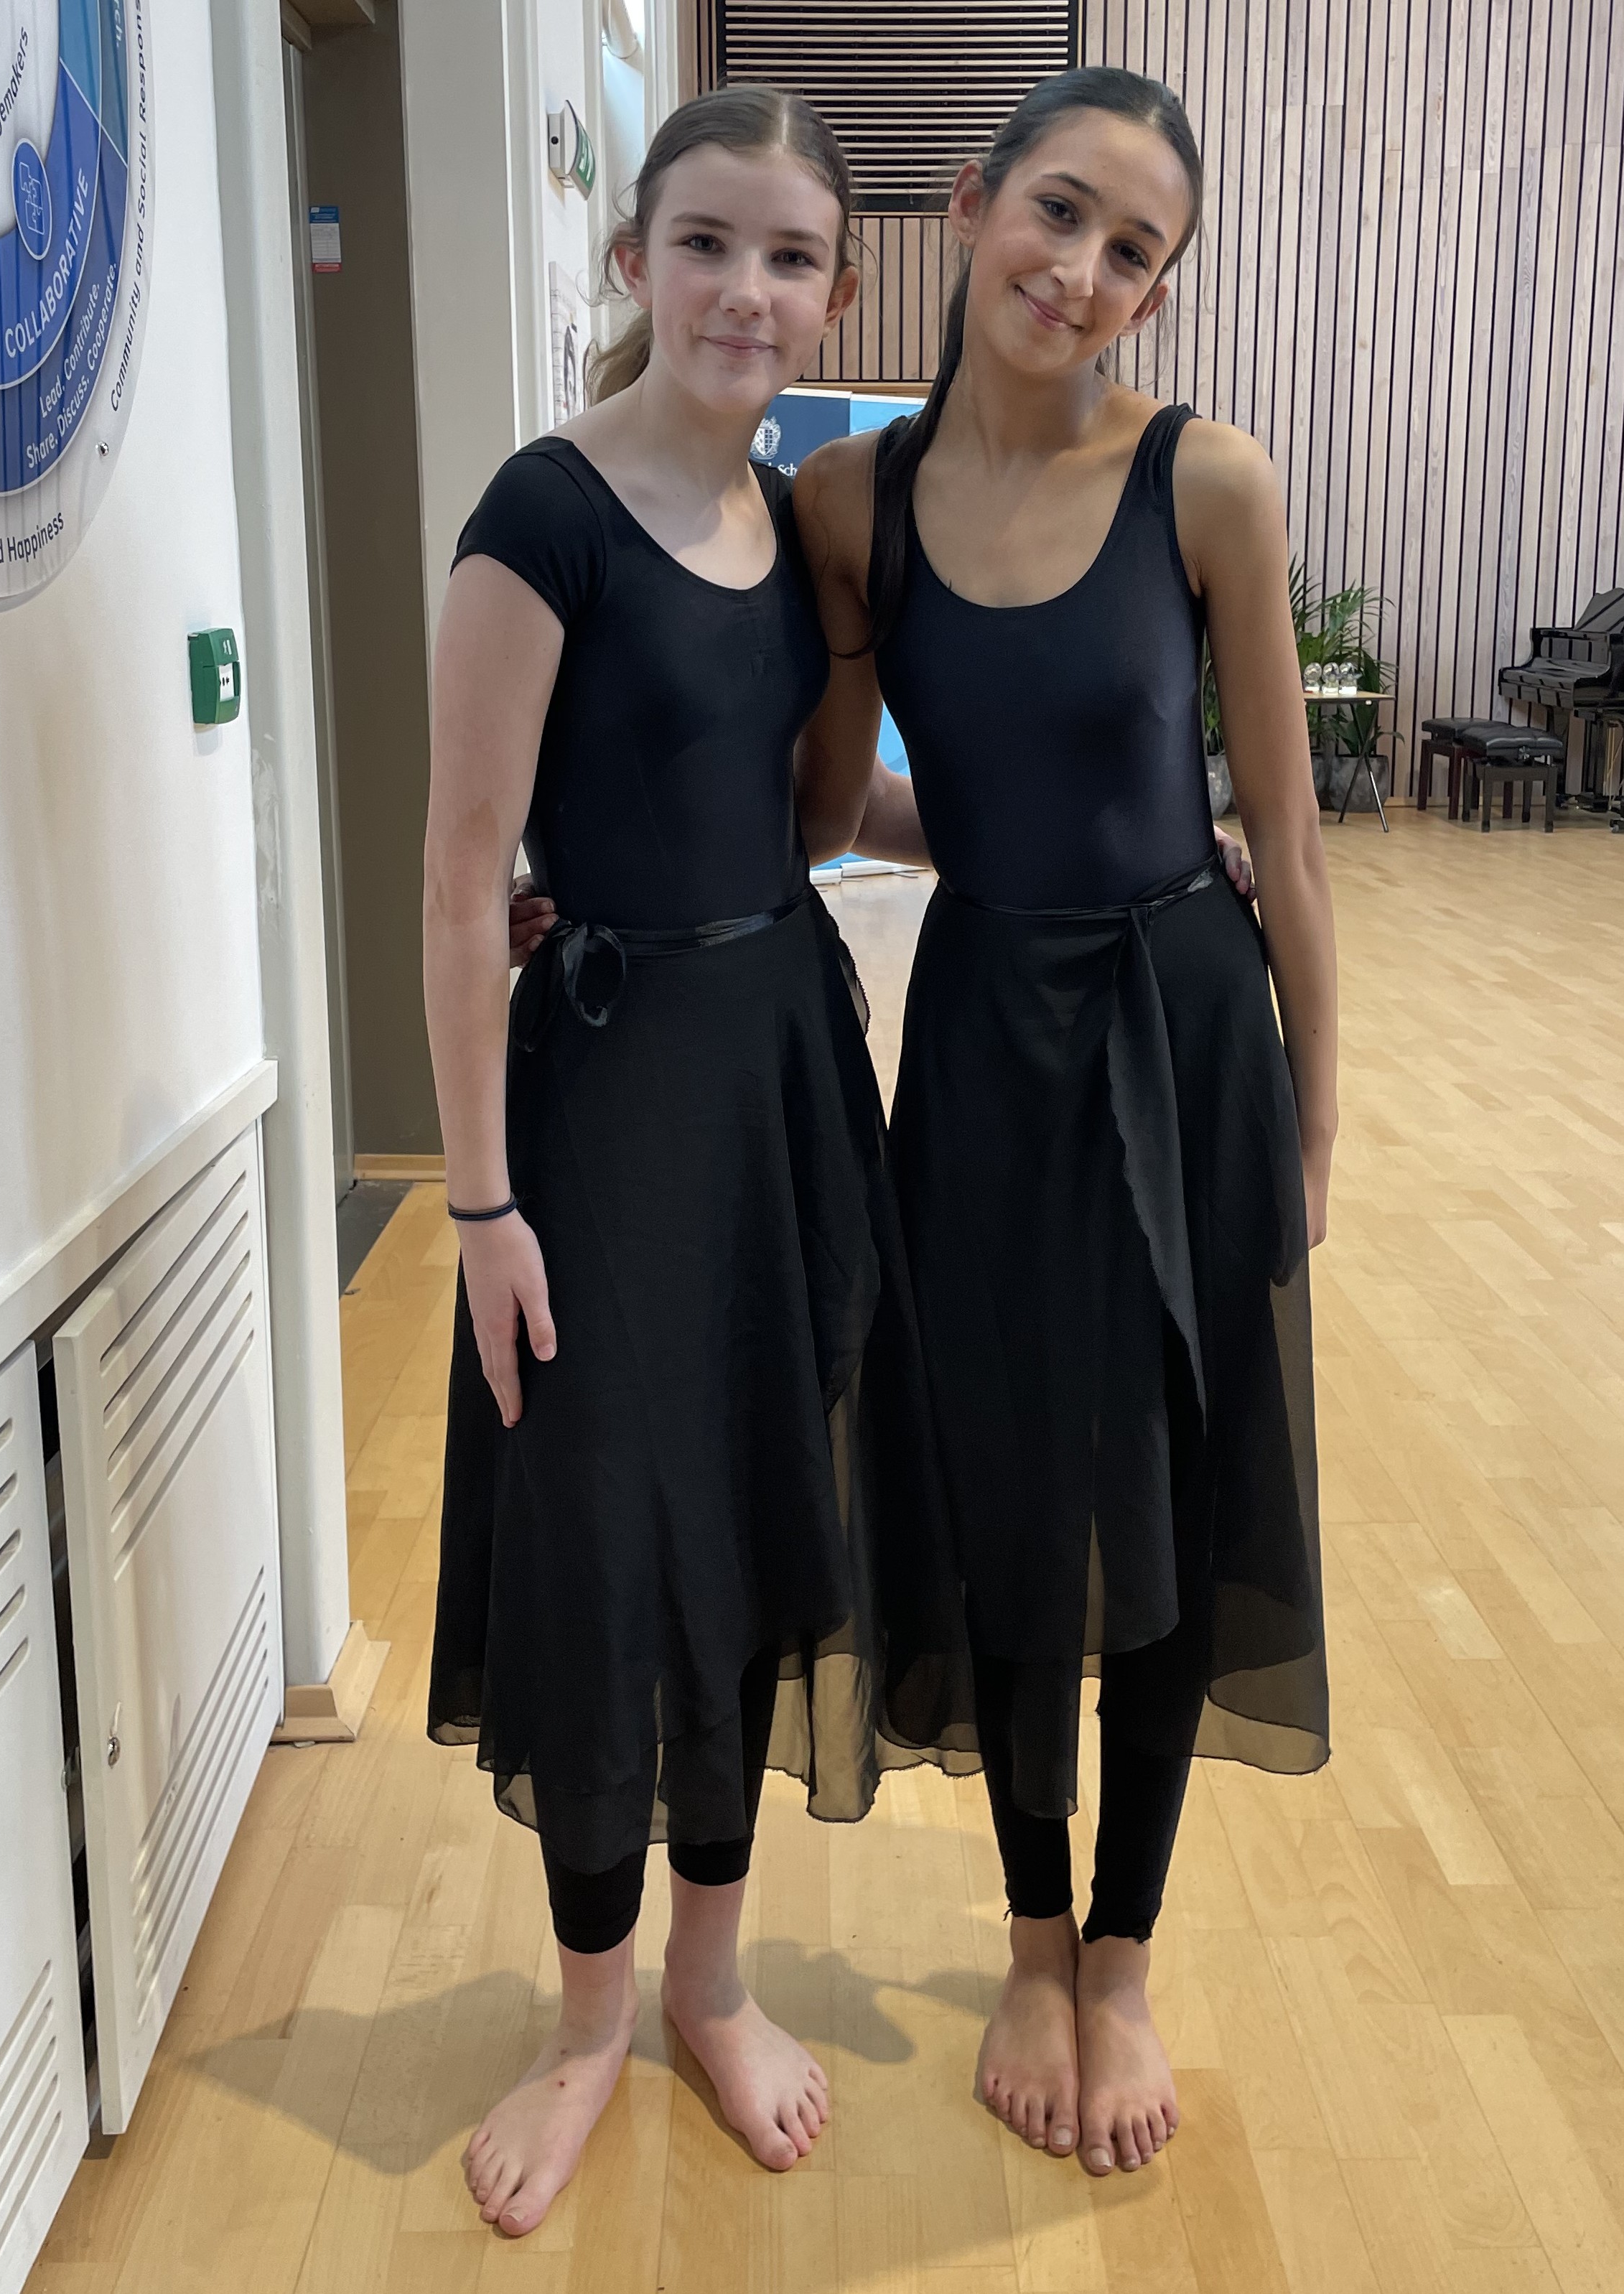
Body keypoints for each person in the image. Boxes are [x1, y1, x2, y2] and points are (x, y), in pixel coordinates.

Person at [791, 66, 1335, 2182]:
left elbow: (1283, 834)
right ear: (969, 197)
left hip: (1190, 1030)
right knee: (1014, 1482)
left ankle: (1125, 1954)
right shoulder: (852, 507)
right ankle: (1029, 1935)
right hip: (994, 1039)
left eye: (1138, 253)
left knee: (1181, 1491)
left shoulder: (1209, 482)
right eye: (1064, 213)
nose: (1086, 272)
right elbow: (837, 809)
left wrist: (1315, 1114)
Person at [423, 85, 949, 2239]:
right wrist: (476, 1199)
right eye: (709, 243)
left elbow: (806, 814)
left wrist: (1095, 844)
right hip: (604, 1099)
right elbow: (466, 881)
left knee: (748, 1517)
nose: (750, 287)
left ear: (835, 284)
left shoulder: (794, 527)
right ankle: (587, 2018)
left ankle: (714, 1987)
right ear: (634, 261)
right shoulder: (543, 511)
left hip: (780, 1074)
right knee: (600, 1543)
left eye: (792, 253)